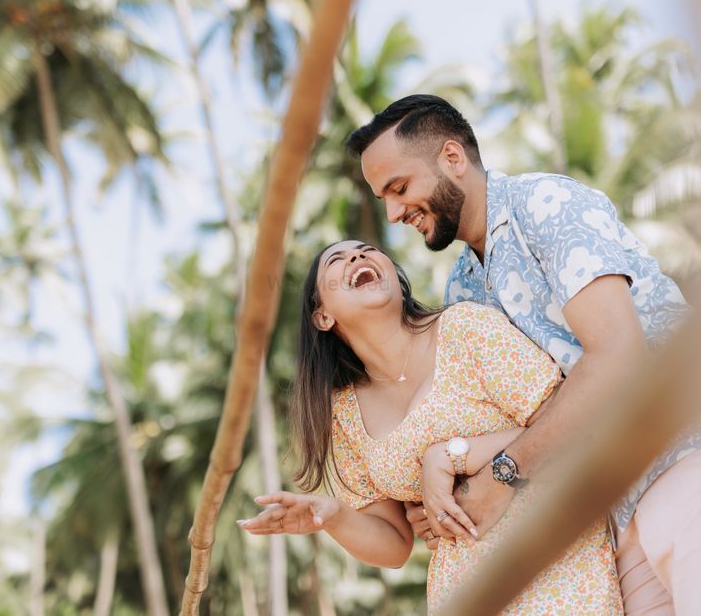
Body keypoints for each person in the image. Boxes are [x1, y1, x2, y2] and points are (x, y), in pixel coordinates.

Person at [345, 94, 701, 615]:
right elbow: (508, 422)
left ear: (453, 159)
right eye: (382, 196)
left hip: (691, 458)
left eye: (398, 188)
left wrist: (502, 475)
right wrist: (443, 494)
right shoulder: (462, 292)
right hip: (614, 518)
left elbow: (618, 357)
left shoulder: (544, 204)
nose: (392, 212)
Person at [238, 241, 622, 614]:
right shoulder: (343, 415)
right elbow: (394, 545)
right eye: (336, 261)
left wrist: (451, 457)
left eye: (368, 251)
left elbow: (570, 423)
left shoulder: (464, 328)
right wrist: (334, 516)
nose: (358, 255)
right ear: (322, 316)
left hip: (558, 561)